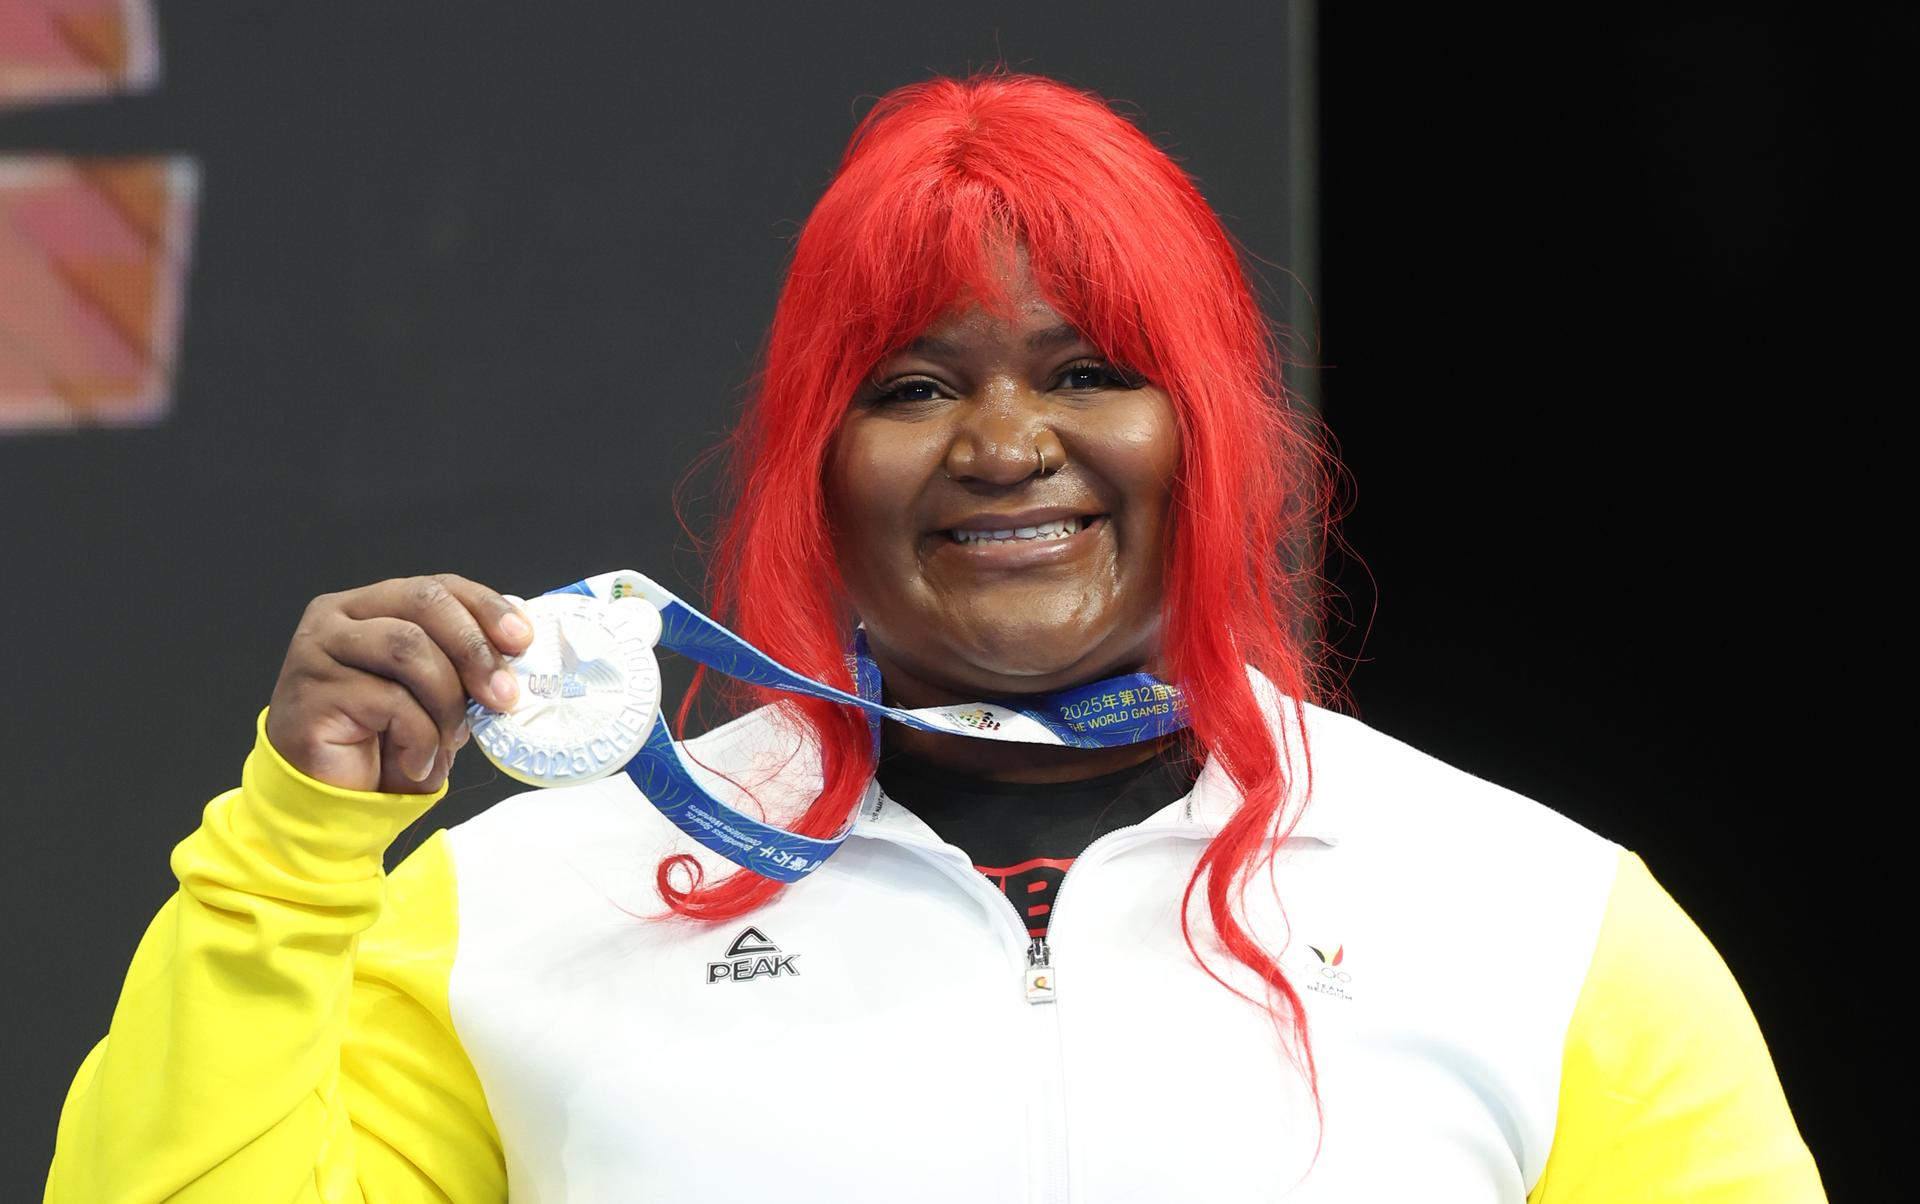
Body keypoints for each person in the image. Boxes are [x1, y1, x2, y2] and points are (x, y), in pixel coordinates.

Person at [45, 73, 1822, 1202]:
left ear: (1207, 428)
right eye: (909, 385)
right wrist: (295, 853)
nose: (1001, 444)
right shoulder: (518, 910)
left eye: (1087, 373)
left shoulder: (1535, 915)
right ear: (814, 463)